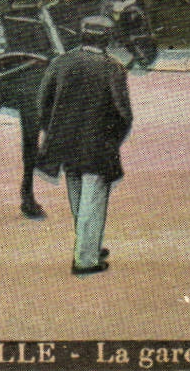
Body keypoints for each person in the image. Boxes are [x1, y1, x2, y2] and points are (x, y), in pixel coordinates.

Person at [36, 15, 132, 275]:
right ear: (107, 40)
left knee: (78, 196)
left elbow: (43, 104)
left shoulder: (61, 62)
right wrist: (113, 139)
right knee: (94, 198)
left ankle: (87, 244)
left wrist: (55, 131)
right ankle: (86, 260)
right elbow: (123, 114)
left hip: (65, 143)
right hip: (98, 144)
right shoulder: (113, 68)